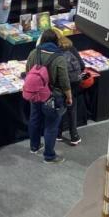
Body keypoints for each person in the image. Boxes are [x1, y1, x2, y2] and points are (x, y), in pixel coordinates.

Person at [25, 29, 72, 164]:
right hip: (53, 96)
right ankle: (49, 156)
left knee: (34, 119)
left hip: (35, 94)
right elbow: (64, 81)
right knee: (51, 126)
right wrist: (69, 96)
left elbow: (28, 71)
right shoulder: (59, 58)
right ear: (56, 41)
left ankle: (34, 146)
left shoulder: (34, 53)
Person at [56, 33, 84, 146]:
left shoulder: (55, 52)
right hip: (74, 83)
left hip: (61, 84)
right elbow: (82, 65)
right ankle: (74, 136)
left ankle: (58, 134)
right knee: (72, 109)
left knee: (60, 108)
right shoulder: (71, 48)